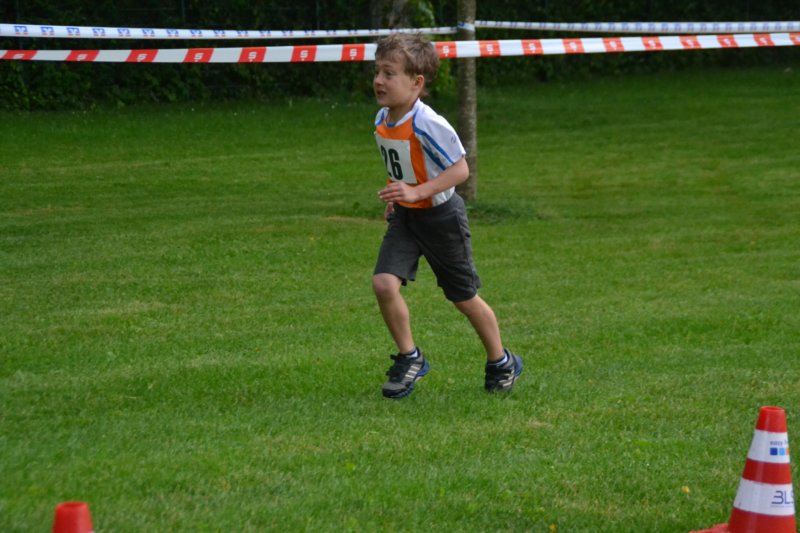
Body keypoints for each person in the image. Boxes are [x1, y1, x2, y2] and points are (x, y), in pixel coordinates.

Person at [371, 33, 522, 399]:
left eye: (389, 73)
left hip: (442, 219)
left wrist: (417, 192)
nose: (379, 80)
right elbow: (403, 163)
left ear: (416, 82)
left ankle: (501, 361)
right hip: (406, 218)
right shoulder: (383, 118)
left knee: (463, 298)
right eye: (377, 72)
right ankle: (410, 357)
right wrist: (397, 193)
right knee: (384, 284)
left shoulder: (428, 122)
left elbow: (460, 170)